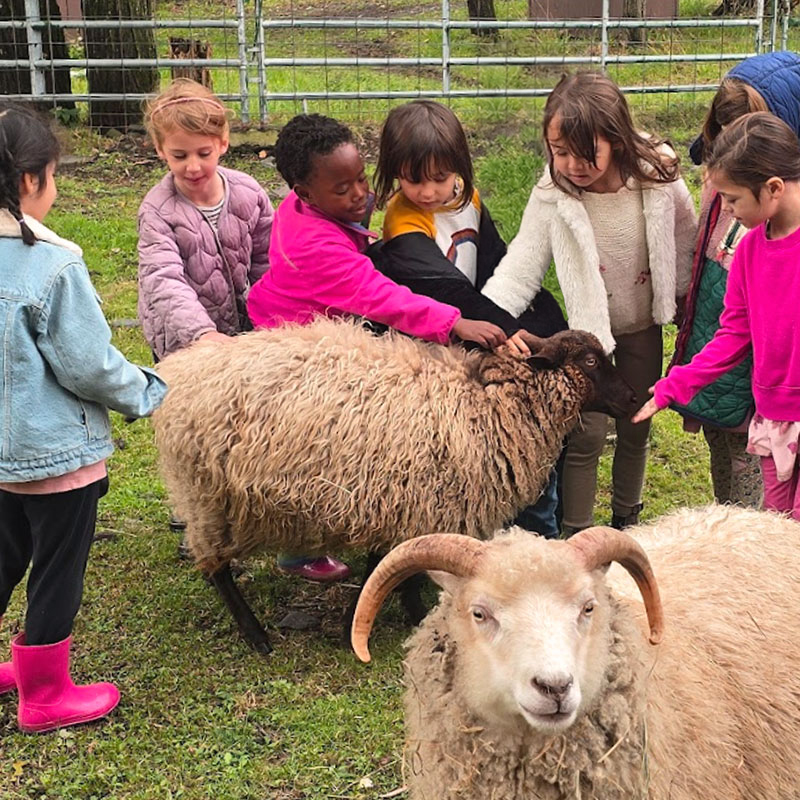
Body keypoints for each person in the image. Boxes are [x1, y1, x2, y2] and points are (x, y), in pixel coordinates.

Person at [247, 113, 507, 575]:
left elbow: (356, 232)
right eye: (343, 189)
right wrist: (455, 322)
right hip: (302, 345)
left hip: (312, 321)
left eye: (361, 179)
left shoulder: (305, 205)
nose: (360, 194)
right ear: (305, 192)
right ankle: (300, 546)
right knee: (317, 446)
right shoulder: (317, 248)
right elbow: (382, 298)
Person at [0, 105, 167, 733]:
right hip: (55, 460)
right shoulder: (52, 266)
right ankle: (43, 695)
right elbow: (88, 366)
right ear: (30, 182)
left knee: (3, 555)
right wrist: (144, 391)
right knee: (56, 569)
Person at [480, 71, 697, 534]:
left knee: (637, 420)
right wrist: (486, 322)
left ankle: (627, 522)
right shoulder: (554, 194)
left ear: (615, 139)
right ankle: (576, 535)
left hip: (642, 324)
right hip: (589, 339)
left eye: (586, 153)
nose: (573, 164)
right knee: (584, 436)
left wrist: (683, 301)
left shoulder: (657, 176)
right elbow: (521, 264)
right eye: (560, 152)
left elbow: (684, 238)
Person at [371, 99, 568, 537]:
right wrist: (509, 330)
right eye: (412, 179)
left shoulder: (467, 198)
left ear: (458, 167)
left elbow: (496, 261)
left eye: (439, 178)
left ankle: (537, 521)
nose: (427, 192)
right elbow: (446, 288)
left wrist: (530, 318)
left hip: (479, 322)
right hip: (438, 341)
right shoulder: (403, 222)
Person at [635, 112, 800, 522]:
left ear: (773, 188)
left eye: (731, 198)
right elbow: (732, 335)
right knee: (779, 537)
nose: (725, 208)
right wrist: (674, 385)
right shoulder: (747, 251)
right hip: (773, 420)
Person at [136, 79, 276, 545]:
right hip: (182, 335)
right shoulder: (158, 209)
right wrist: (199, 333)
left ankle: (247, 500)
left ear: (223, 142)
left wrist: (269, 317)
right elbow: (163, 277)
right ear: (159, 150)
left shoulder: (248, 192)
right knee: (189, 424)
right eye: (179, 156)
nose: (193, 166)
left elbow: (267, 259)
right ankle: (189, 508)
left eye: (203, 152)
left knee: (245, 415)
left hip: (242, 327)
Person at [672, 51, 800, 509]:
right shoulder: (725, 186)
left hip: (767, 389)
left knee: (762, 507)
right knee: (727, 465)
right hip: (720, 352)